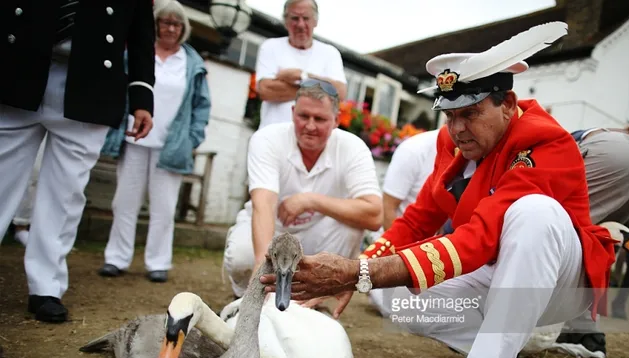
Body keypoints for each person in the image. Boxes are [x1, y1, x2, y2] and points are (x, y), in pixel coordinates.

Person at [260, 23, 618, 358]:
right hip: (502, 273)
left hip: (564, 283)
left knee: (534, 214)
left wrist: (357, 271)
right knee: (396, 300)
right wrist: (363, 272)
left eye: (470, 113)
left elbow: (480, 238)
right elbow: (416, 220)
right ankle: (514, 336)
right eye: (450, 115)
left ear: (507, 104)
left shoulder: (544, 143)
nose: (458, 128)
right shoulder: (455, 148)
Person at [0, 0, 155, 323]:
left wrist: (142, 98)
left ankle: (46, 286)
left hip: (92, 80)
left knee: (65, 194)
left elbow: (141, 34)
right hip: (17, 65)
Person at [223, 79, 382, 298]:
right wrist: (262, 266)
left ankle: (313, 299)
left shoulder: (353, 147)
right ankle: (249, 296)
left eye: (320, 119)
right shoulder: (267, 139)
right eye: (303, 116)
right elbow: (264, 205)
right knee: (242, 257)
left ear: (336, 120)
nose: (310, 126)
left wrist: (311, 200)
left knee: (353, 225)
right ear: (292, 112)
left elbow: (374, 215)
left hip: (317, 234)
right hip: (272, 229)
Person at [98, 0, 211, 283]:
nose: (170, 28)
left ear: (183, 28)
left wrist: (192, 138)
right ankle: (116, 258)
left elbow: (202, 106)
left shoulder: (192, 62)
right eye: (164, 22)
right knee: (124, 202)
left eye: (176, 24)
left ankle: (158, 263)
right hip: (134, 138)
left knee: (163, 208)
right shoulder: (137, 51)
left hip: (171, 146)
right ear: (155, 25)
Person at [554, 126, 629, 355]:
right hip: (626, 159)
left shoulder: (554, 142)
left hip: (613, 156)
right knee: (593, 242)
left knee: (555, 230)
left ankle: (516, 324)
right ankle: (584, 331)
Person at [368, 130, 440, 316]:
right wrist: (399, 264)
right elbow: (388, 209)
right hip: (399, 249)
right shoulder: (414, 150)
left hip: (435, 252)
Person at [255, 0, 347, 129]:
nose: (300, 24)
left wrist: (302, 76)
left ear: (315, 21)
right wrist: (320, 90)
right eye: (294, 18)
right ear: (285, 21)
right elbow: (265, 90)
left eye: (306, 18)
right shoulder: (271, 46)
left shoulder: (330, 53)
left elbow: (340, 92)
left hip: (312, 140)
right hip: (272, 136)